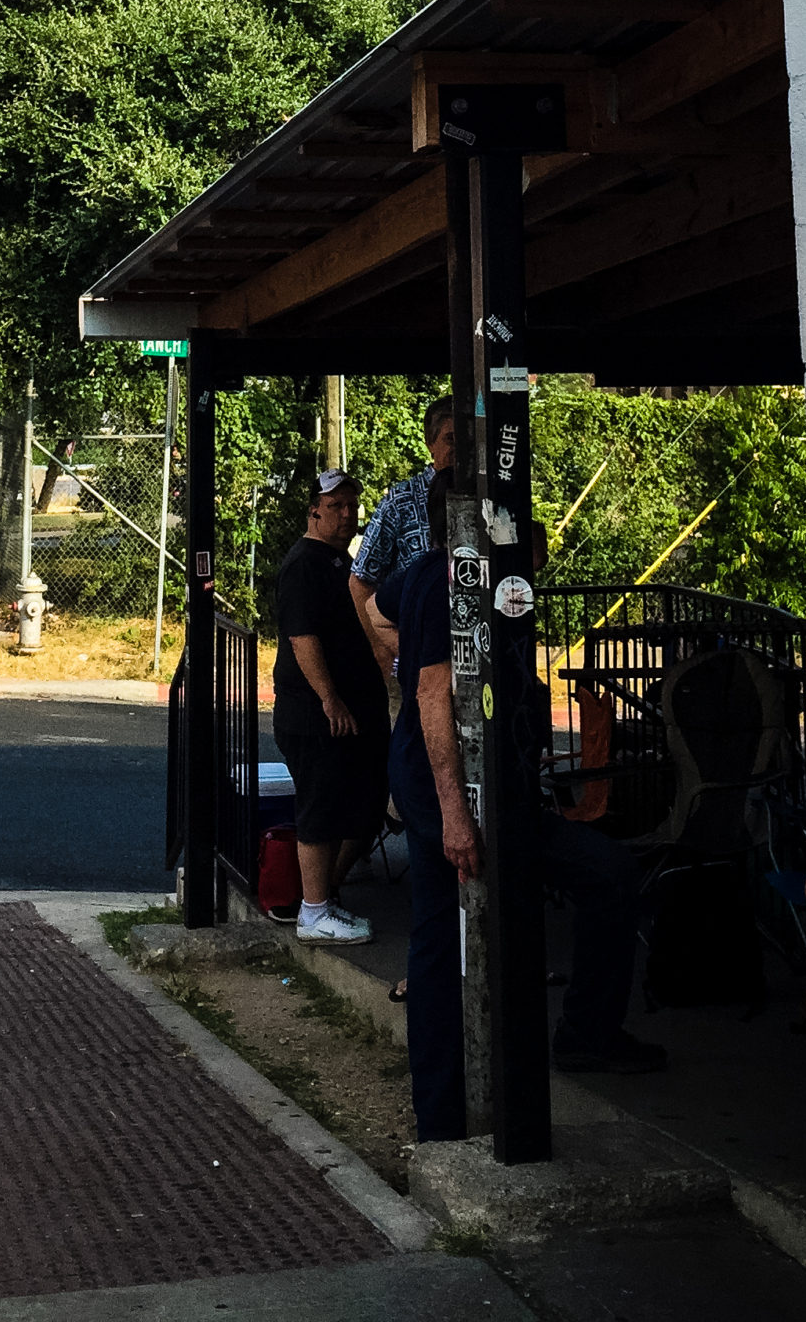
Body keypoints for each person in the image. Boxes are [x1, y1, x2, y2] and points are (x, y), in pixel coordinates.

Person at [367, 485, 663, 1141]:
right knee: (447, 936)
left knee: (603, 876)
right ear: (486, 529)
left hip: (478, 789)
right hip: (455, 793)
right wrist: (452, 812)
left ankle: (582, 1034)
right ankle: (443, 1116)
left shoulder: (423, 579)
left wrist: (398, 648)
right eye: (522, 528)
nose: (534, 546)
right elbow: (431, 691)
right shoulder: (453, 584)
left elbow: (378, 612)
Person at [272, 469, 390, 945]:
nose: (346, 514)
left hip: (359, 710)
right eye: (336, 505)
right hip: (315, 713)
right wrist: (329, 698)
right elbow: (303, 638)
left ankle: (327, 893)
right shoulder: (304, 564)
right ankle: (313, 911)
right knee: (320, 806)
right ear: (314, 510)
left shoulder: (345, 562)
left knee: (363, 804)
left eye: (352, 505)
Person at [349, 394, 455, 655]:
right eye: (451, 439)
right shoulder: (401, 499)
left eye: (470, 438)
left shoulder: (488, 494)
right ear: (430, 442)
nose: (462, 447)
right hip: (417, 661)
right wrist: (389, 650)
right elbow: (361, 579)